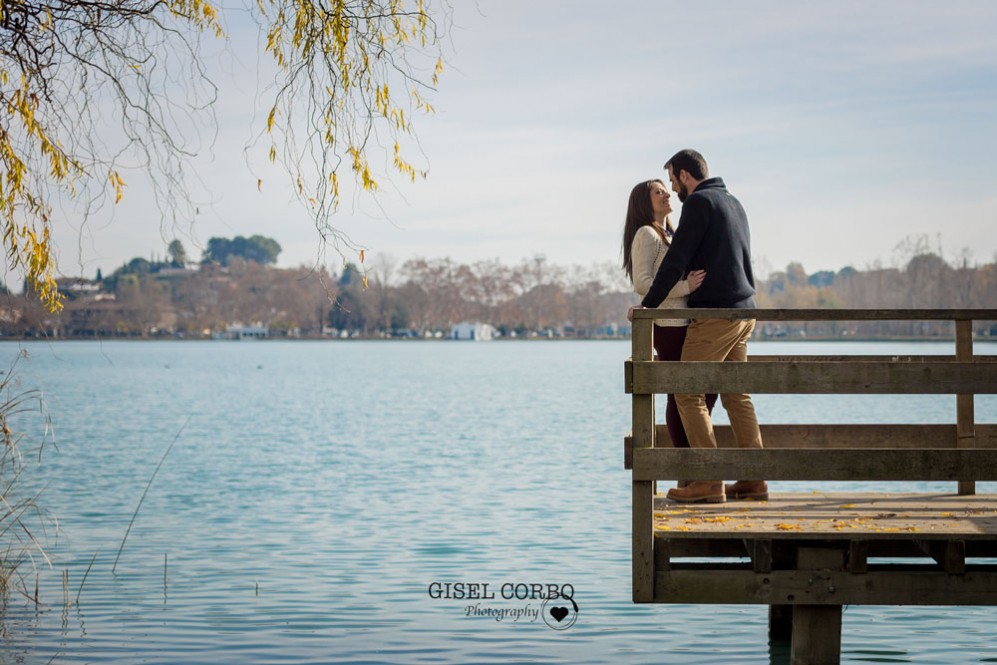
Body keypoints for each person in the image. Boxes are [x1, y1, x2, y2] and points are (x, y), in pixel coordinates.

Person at [628, 149, 767, 504]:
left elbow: (675, 261)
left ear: (685, 175)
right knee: (737, 395)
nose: (673, 190)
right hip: (744, 311)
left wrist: (647, 306)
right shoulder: (733, 202)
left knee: (686, 391)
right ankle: (753, 480)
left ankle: (708, 481)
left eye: (673, 181)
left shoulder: (699, 204)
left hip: (717, 315)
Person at [621, 179, 716, 465]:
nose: (666, 195)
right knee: (680, 394)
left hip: (686, 322)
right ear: (644, 203)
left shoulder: (671, 233)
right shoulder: (646, 235)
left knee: (699, 390)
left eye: (665, 190)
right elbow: (642, 283)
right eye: (658, 192)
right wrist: (686, 287)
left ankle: (689, 462)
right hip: (667, 325)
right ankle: (686, 466)